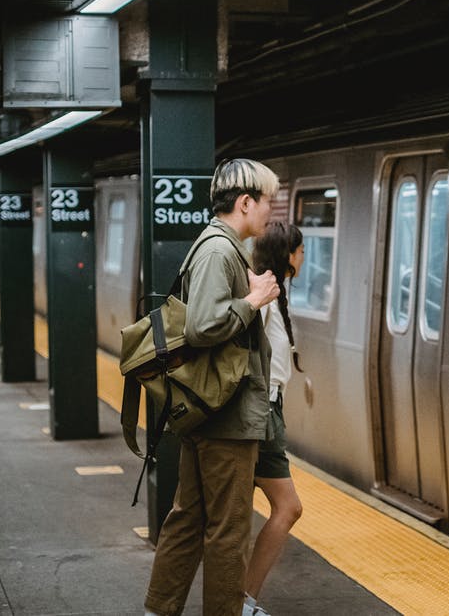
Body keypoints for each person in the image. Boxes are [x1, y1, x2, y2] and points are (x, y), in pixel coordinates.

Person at [144, 159, 281, 616]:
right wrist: (254, 299)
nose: (270, 212)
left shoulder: (216, 246)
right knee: (228, 529)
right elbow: (204, 326)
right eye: (268, 202)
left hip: (209, 409)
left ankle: (159, 610)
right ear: (245, 202)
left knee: (188, 520)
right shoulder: (220, 251)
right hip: (225, 415)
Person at [243, 222, 307, 615]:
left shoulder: (275, 295)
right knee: (289, 507)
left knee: (229, 512)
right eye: (300, 250)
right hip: (260, 411)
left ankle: (240, 599)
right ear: (287, 255)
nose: (303, 257)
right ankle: (243, 601)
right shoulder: (265, 298)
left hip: (268, 409)